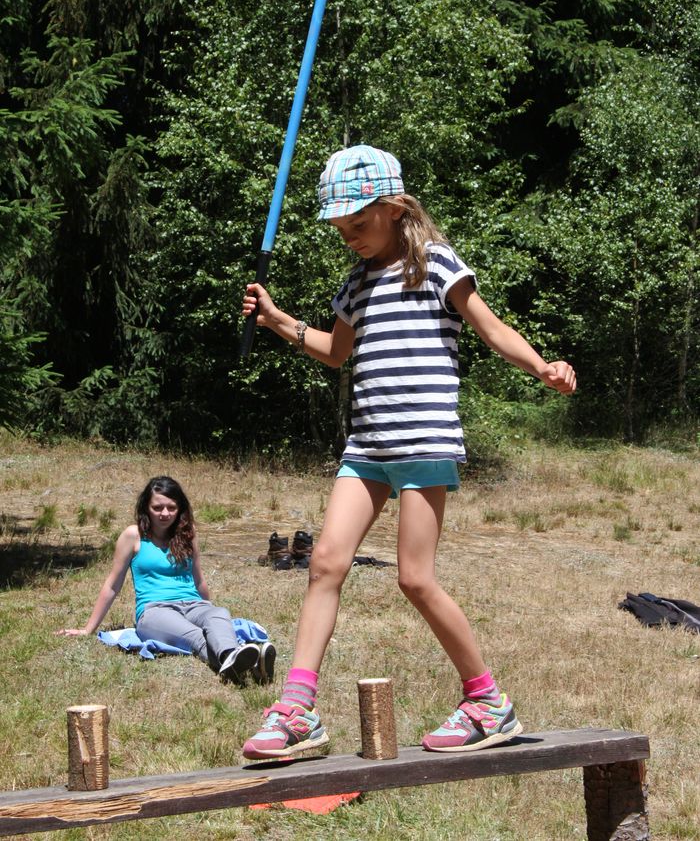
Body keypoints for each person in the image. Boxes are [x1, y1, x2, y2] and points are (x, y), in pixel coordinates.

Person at [241, 145, 576, 760]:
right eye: (341, 228)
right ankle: (296, 710)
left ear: (395, 208)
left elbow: (491, 328)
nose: (351, 237)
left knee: (415, 579)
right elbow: (335, 352)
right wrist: (276, 319)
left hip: (424, 442)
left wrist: (542, 367)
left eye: (359, 223)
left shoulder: (436, 265)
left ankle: (488, 703)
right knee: (324, 565)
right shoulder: (355, 283)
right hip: (367, 445)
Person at [57, 475, 275, 684]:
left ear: (180, 509)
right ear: (146, 508)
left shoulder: (188, 533)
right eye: (157, 508)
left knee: (219, 615)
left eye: (171, 508)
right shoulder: (133, 536)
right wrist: (88, 629)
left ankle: (233, 656)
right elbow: (112, 585)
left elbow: (199, 580)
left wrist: (208, 609)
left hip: (193, 604)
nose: (165, 513)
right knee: (195, 636)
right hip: (155, 610)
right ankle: (246, 665)